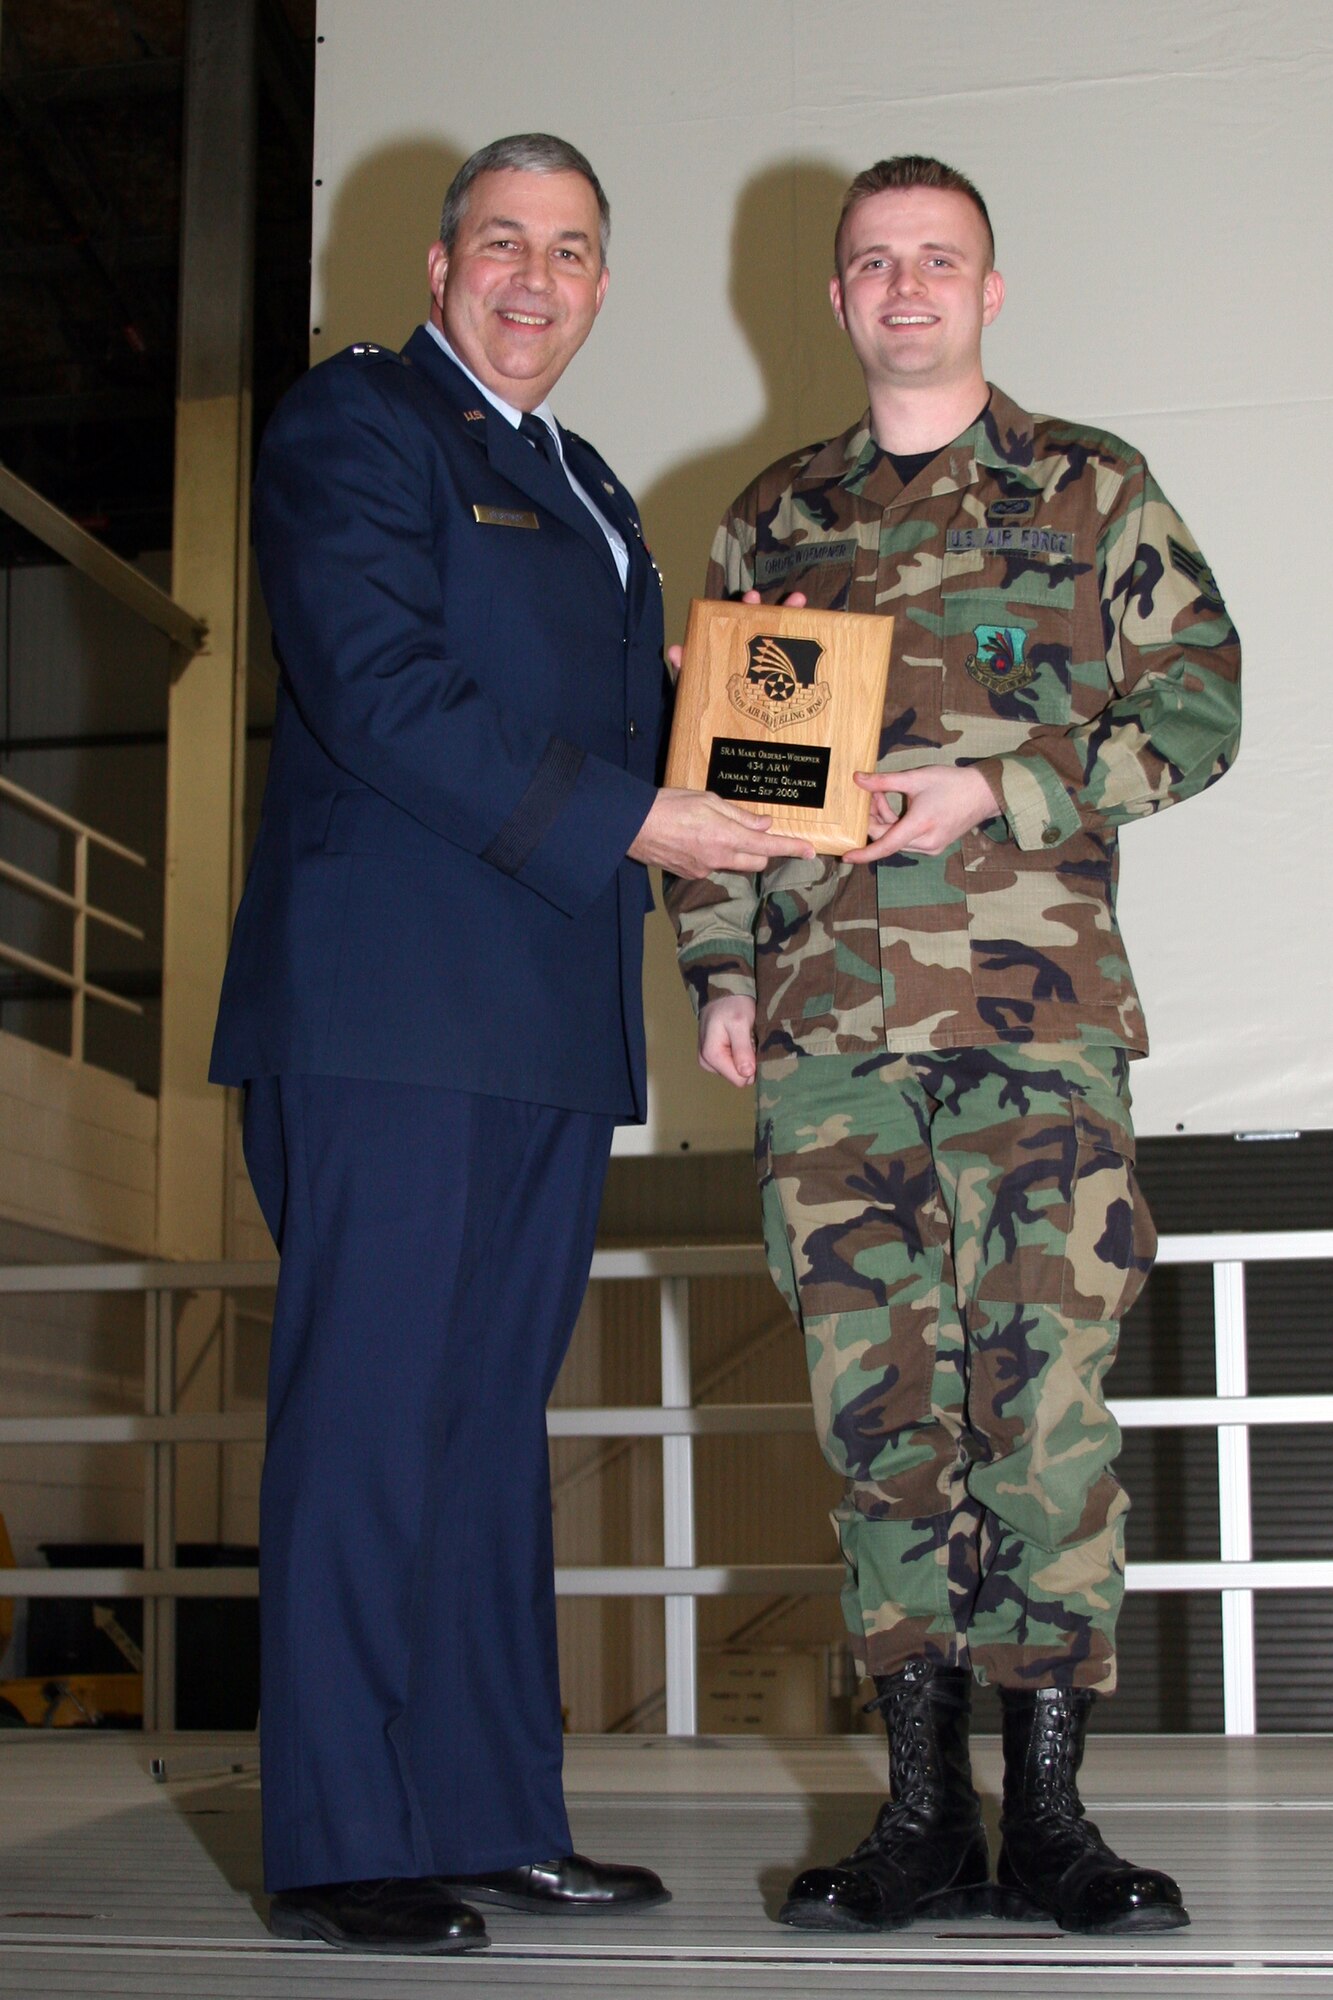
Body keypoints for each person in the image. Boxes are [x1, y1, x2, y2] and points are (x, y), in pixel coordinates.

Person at [210, 133, 811, 1957]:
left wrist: (783, 736)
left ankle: (485, 1811)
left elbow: (662, 729)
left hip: (543, 1022)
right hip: (386, 1005)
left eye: (568, 251)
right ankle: (332, 1837)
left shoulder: (596, 487)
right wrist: (645, 819)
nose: (533, 278)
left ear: (605, 285)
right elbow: (382, 689)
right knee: (371, 1419)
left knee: (484, 1438)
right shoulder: (359, 424)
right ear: (437, 261)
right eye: (501, 244)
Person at [667, 154, 1240, 1937]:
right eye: (872, 264)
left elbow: (1203, 701)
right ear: (833, 301)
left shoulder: (1088, 492)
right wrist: (720, 971)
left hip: (1039, 1034)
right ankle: (916, 1821)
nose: (904, 286)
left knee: (1044, 1416)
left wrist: (1003, 784)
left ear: (988, 290)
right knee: (879, 1421)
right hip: (832, 1033)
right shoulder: (775, 518)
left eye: (938, 260)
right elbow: (717, 787)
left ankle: (1052, 1820)